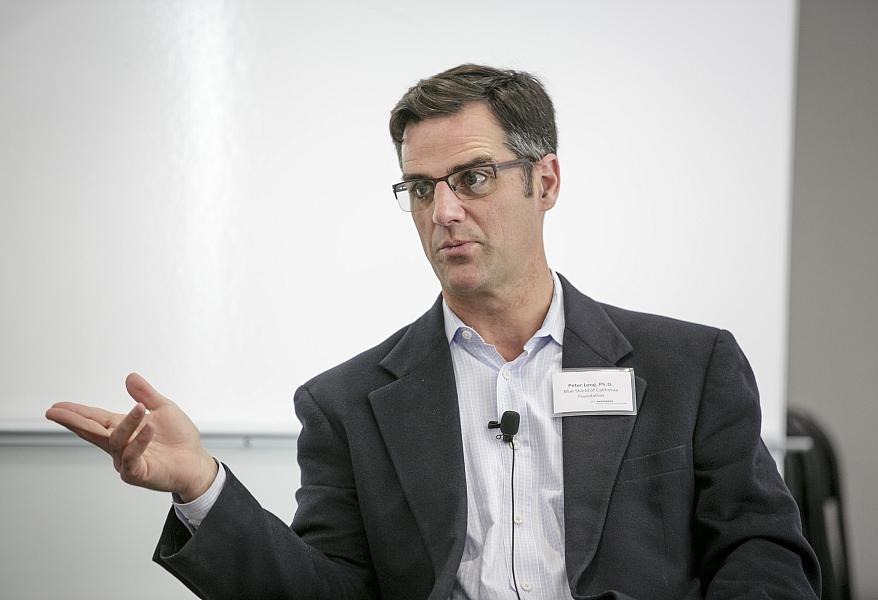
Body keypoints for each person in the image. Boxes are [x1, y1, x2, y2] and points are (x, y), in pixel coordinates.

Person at [46, 64, 820, 599]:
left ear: (544, 181)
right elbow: (328, 591)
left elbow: (761, 552)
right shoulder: (348, 403)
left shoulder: (688, 366)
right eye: (421, 187)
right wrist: (201, 489)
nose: (443, 212)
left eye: (473, 178)